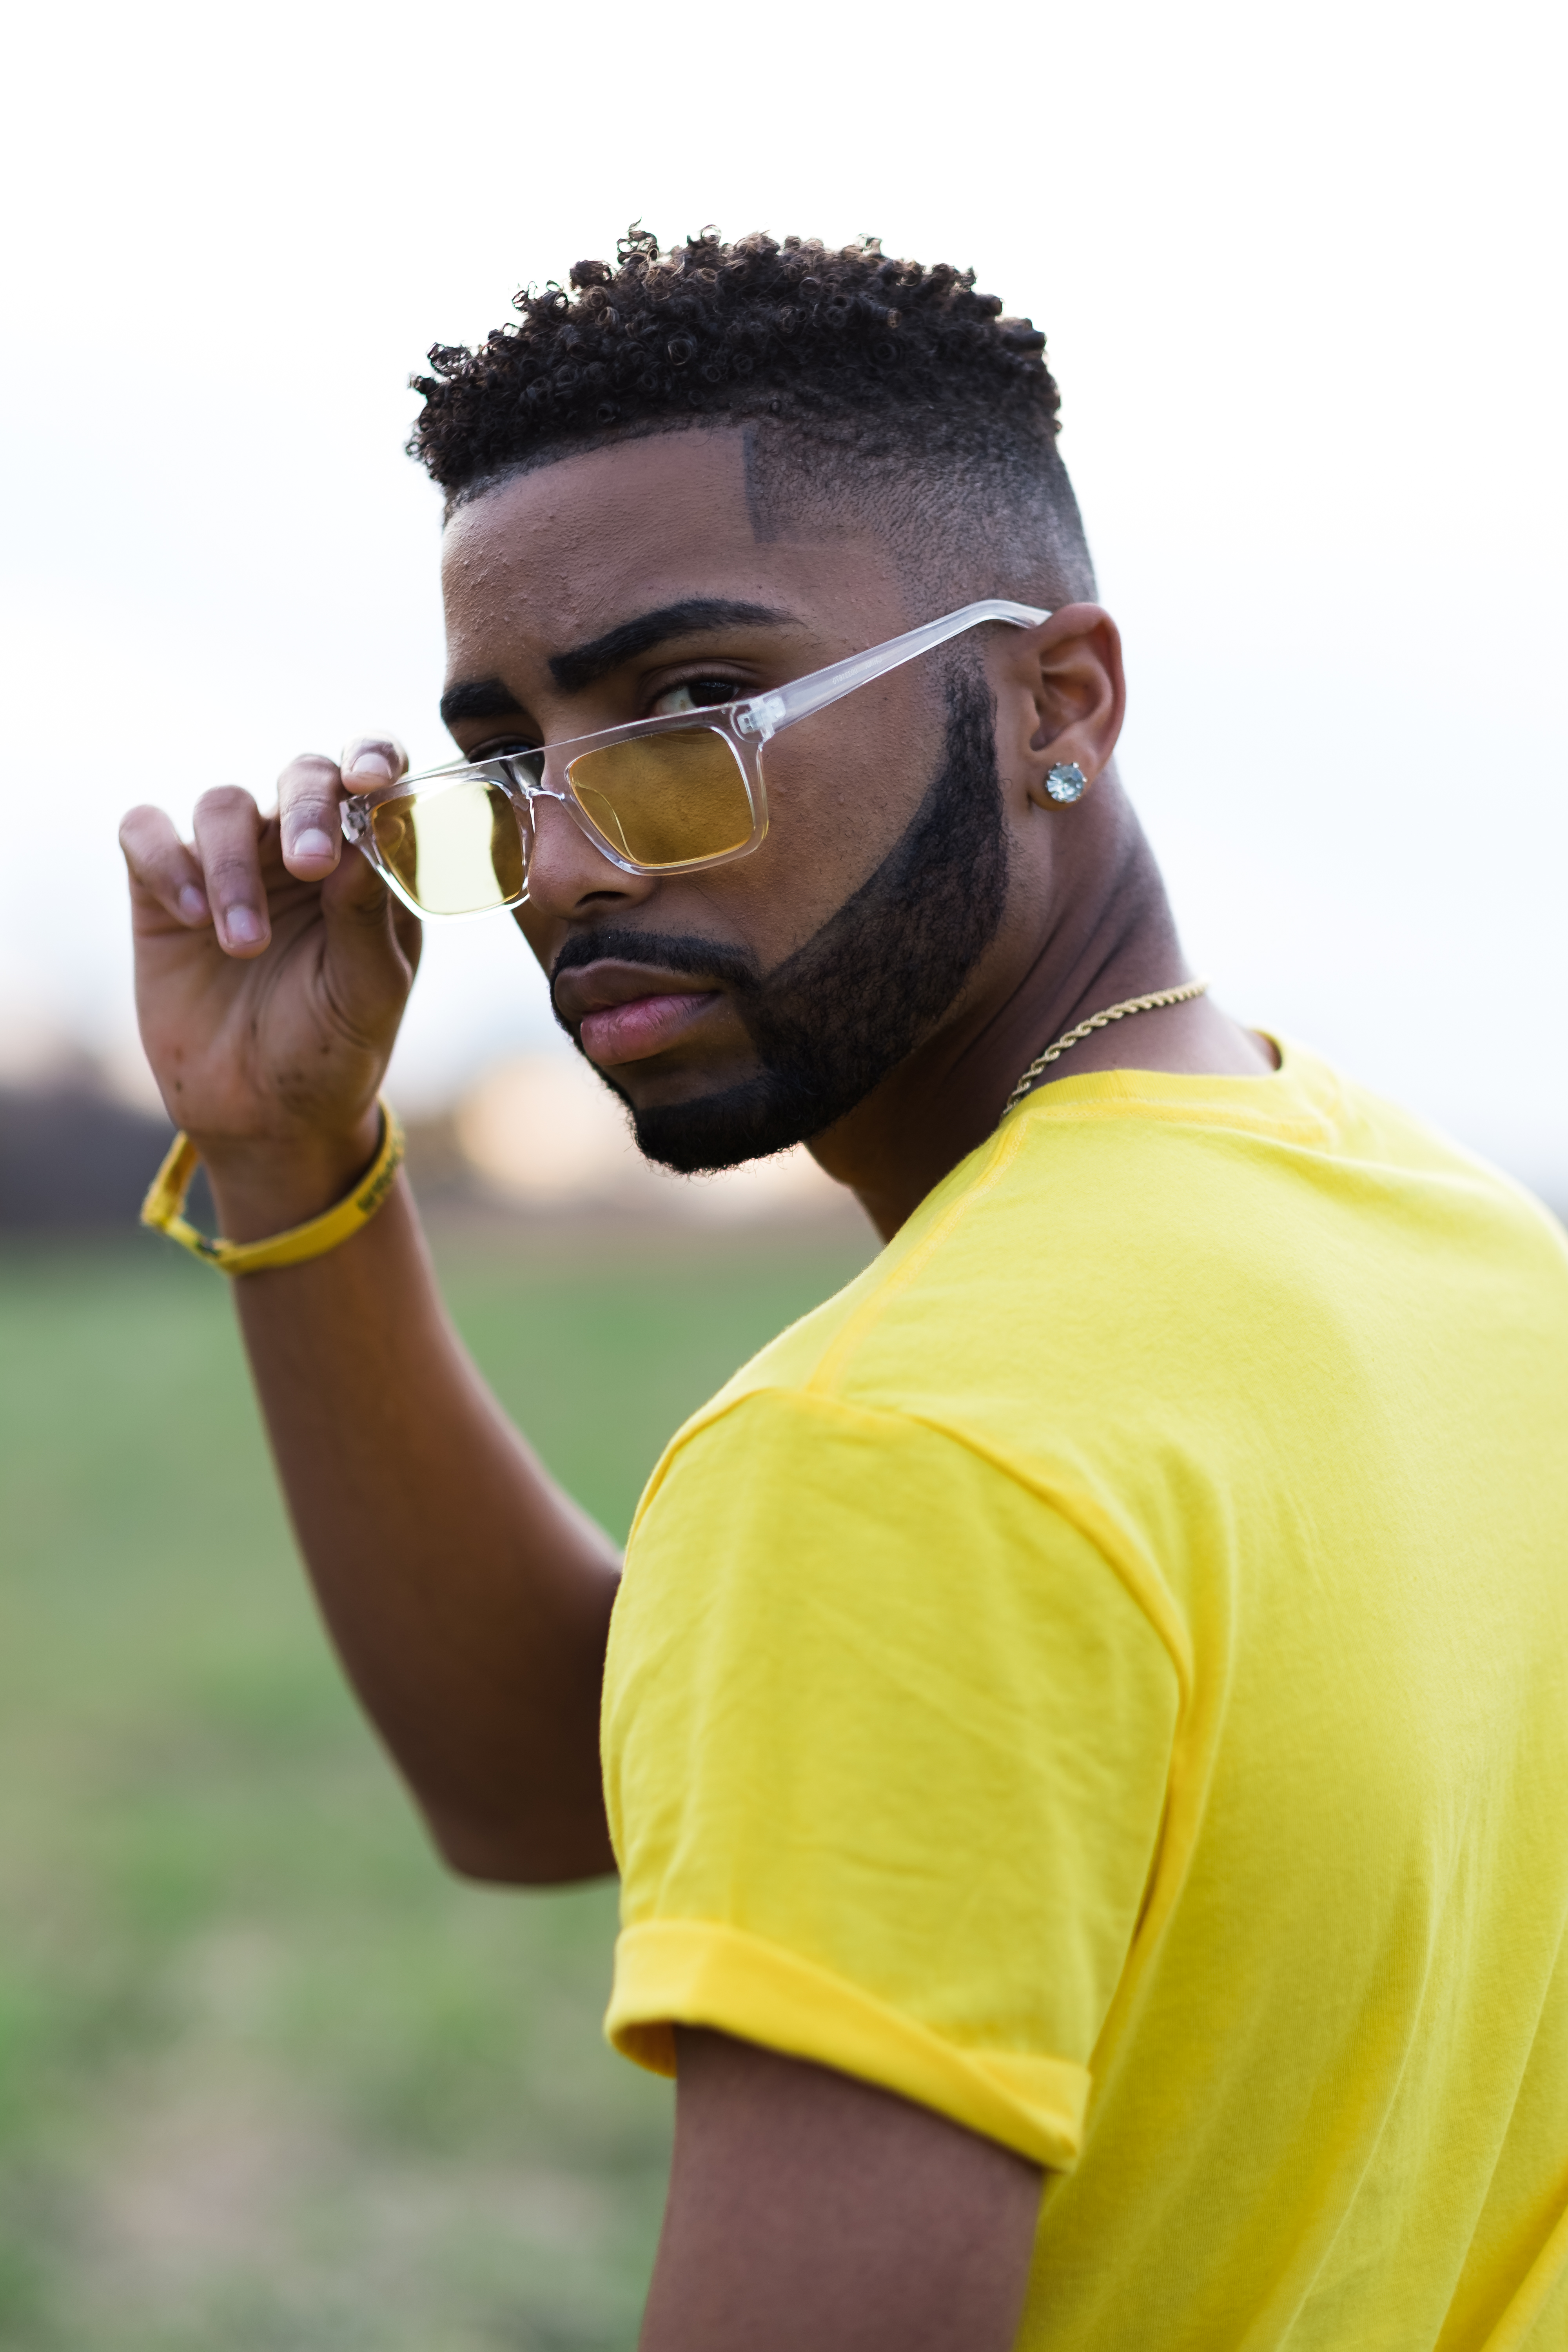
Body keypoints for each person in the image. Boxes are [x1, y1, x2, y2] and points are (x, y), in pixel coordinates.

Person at [119, 229, 1568, 2350]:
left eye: (696, 711)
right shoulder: (1464, 1244)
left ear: (1055, 698)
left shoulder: (895, 1450)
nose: (578, 861)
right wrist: (289, 1151)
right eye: (509, 765)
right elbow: (557, 1791)